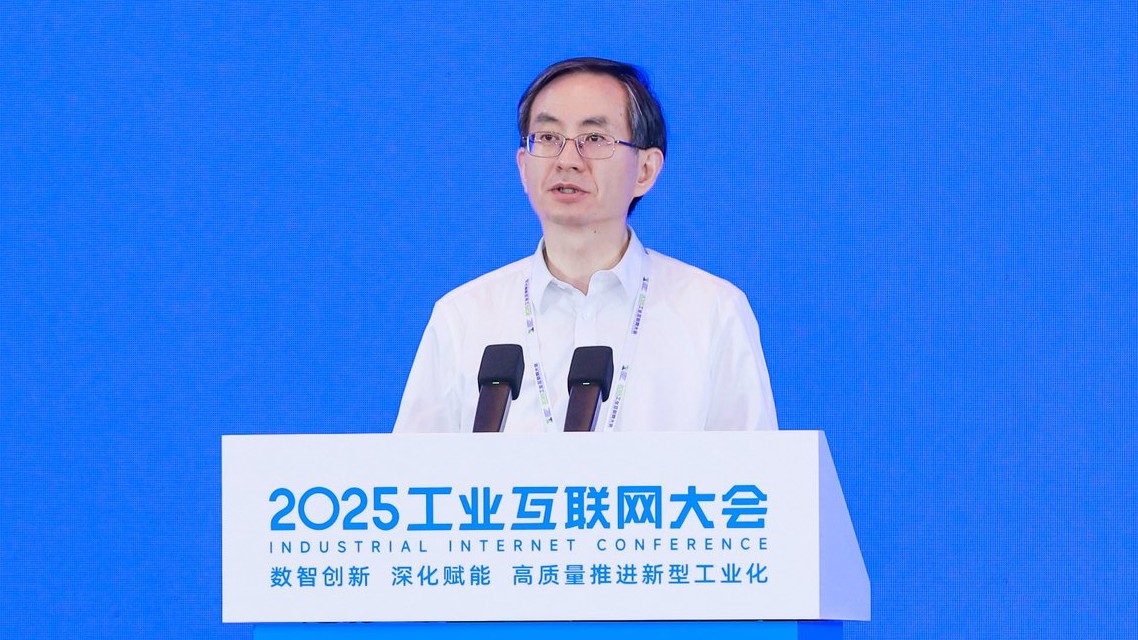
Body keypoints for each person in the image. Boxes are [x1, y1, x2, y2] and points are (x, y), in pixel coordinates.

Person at [394, 57, 777, 433]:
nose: (567, 160)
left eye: (594, 139)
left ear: (645, 170)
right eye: (548, 138)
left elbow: (757, 470)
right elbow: (410, 471)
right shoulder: (463, 318)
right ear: (523, 167)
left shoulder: (712, 312)